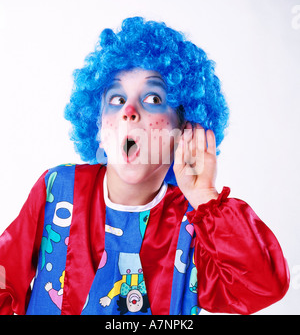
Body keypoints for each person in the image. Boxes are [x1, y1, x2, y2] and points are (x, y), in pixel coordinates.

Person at [0, 17, 289, 315]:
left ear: (184, 130)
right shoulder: (57, 189)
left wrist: (204, 194)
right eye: (116, 98)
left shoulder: (196, 226)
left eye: (152, 97)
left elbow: (260, 286)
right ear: (98, 130)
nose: (129, 111)